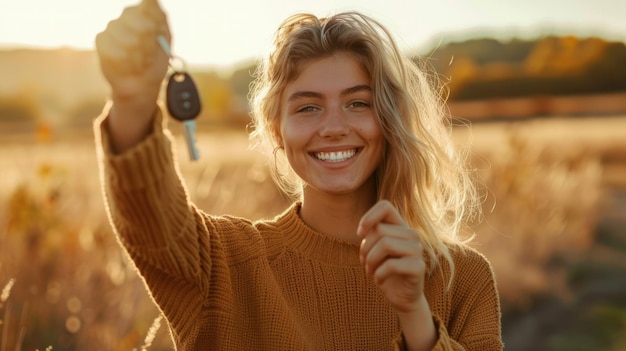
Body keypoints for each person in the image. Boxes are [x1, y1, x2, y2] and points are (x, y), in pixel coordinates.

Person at [94, 0, 503, 350]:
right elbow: (150, 218)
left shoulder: (462, 279)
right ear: (277, 130)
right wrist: (132, 103)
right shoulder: (224, 263)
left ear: (388, 119)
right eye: (308, 107)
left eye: (357, 103)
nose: (333, 127)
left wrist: (415, 314)